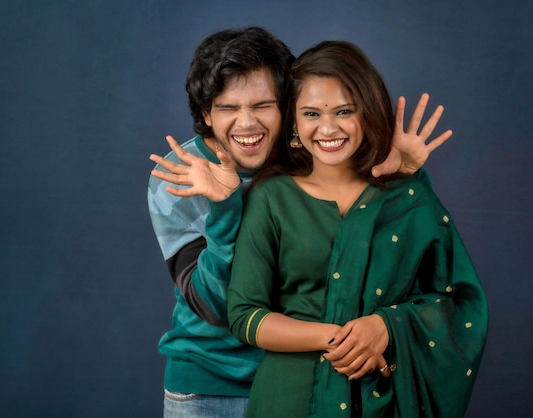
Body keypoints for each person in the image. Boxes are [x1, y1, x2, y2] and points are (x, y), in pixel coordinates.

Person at [148, 27, 452, 418]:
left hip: (310, 379)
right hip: (211, 385)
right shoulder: (179, 175)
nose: (246, 124)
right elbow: (217, 308)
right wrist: (224, 207)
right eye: (227, 108)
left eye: (262, 105)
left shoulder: (312, 153)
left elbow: (389, 256)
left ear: (287, 106)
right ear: (207, 114)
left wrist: (406, 175)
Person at [226, 40, 488, 417]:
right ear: (294, 123)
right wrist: (342, 338)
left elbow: (459, 303)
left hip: (384, 397)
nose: (327, 127)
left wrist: (386, 326)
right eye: (312, 113)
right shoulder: (273, 195)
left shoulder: (406, 194)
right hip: (291, 398)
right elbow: (245, 315)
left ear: (367, 113)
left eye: (344, 111)